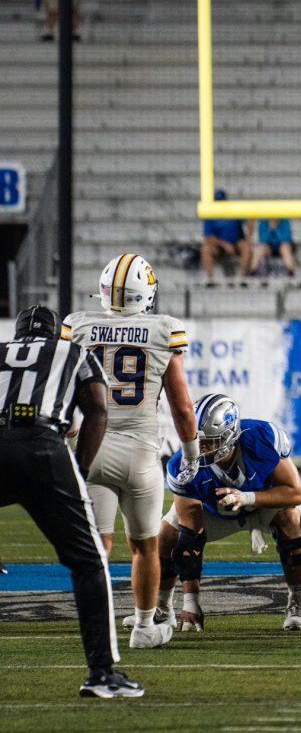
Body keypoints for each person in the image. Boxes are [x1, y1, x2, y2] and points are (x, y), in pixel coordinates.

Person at [0, 305, 143, 698]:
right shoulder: (73, 352)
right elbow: (97, 411)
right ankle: (101, 673)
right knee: (88, 560)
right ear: (54, 333)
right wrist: (77, 471)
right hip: (43, 446)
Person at [64, 253, 198, 650]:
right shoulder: (163, 330)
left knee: (97, 546)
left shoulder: (78, 325)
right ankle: (143, 627)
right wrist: (190, 455)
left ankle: (97, 626)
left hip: (89, 446)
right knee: (145, 545)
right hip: (140, 451)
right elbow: (182, 407)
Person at [157, 394, 301, 632]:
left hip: (262, 501)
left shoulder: (263, 437)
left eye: (209, 442)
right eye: (195, 440)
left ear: (230, 436)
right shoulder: (181, 465)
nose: (200, 449)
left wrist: (247, 497)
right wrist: (191, 602)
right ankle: (162, 608)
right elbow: (191, 536)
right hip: (214, 509)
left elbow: (295, 493)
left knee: (291, 519)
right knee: (167, 536)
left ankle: (299, 602)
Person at [200, 189, 250, 285]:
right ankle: (210, 279)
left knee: (246, 246)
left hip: (236, 244)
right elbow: (209, 237)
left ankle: (243, 278)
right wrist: (224, 244)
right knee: (206, 249)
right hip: (219, 246)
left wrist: (249, 236)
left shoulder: (234, 212)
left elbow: (249, 219)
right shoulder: (210, 215)